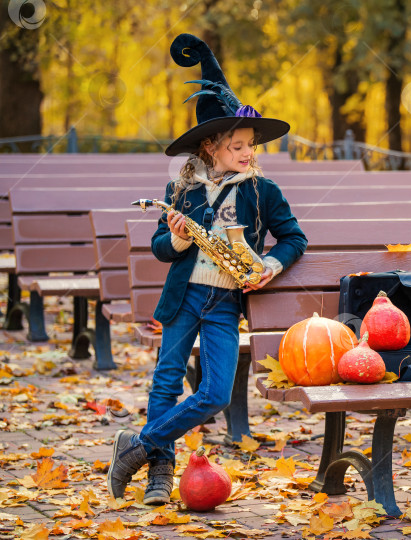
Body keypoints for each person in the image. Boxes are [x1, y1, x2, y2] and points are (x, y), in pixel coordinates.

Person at [107, 33, 307, 505]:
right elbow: (160, 248)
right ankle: (159, 473)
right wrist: (177, 236)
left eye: (250, 145)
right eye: (238, 145)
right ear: (212, 147)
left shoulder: (264, 191)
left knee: (216, 393)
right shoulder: (183, 191)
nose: (248, 153)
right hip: (184, 296)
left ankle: (135, 446)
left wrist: (272, 265)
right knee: (166, 379)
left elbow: (295, 237)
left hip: (224, 303)